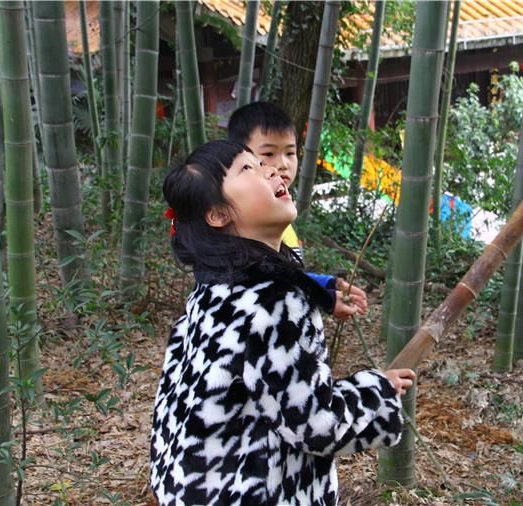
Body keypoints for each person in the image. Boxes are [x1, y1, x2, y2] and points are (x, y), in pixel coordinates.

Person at [150, 140, 415, 505]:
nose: (274, 170)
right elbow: (317, 425)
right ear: (217, 214)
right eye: (249, 168)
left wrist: (321, 293)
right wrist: (377, 391)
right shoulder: (274, 302)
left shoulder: (210, 292)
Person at [227, 102, 367, 321]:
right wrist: (326, 299)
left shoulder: (281, 217)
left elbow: (290, 276)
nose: (282, 164)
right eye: (269, 153)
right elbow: (262, 288)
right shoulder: (245, 221)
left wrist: (330, 284)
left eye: (290, 153)